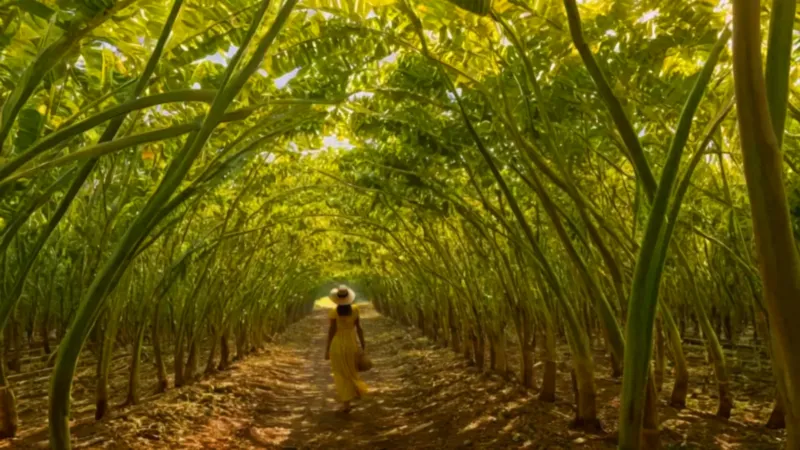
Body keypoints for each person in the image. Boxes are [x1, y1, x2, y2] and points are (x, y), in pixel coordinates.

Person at [325, 285, 368, 413]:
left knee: (340, 374)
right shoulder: (355, 310)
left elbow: (331, 331)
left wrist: (327, 349)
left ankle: (346, 403)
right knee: (351, 371)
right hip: (351, 344)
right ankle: (354, 392)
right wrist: (362, 343)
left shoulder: (333, 312)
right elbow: (359, 328)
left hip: (337, 344)